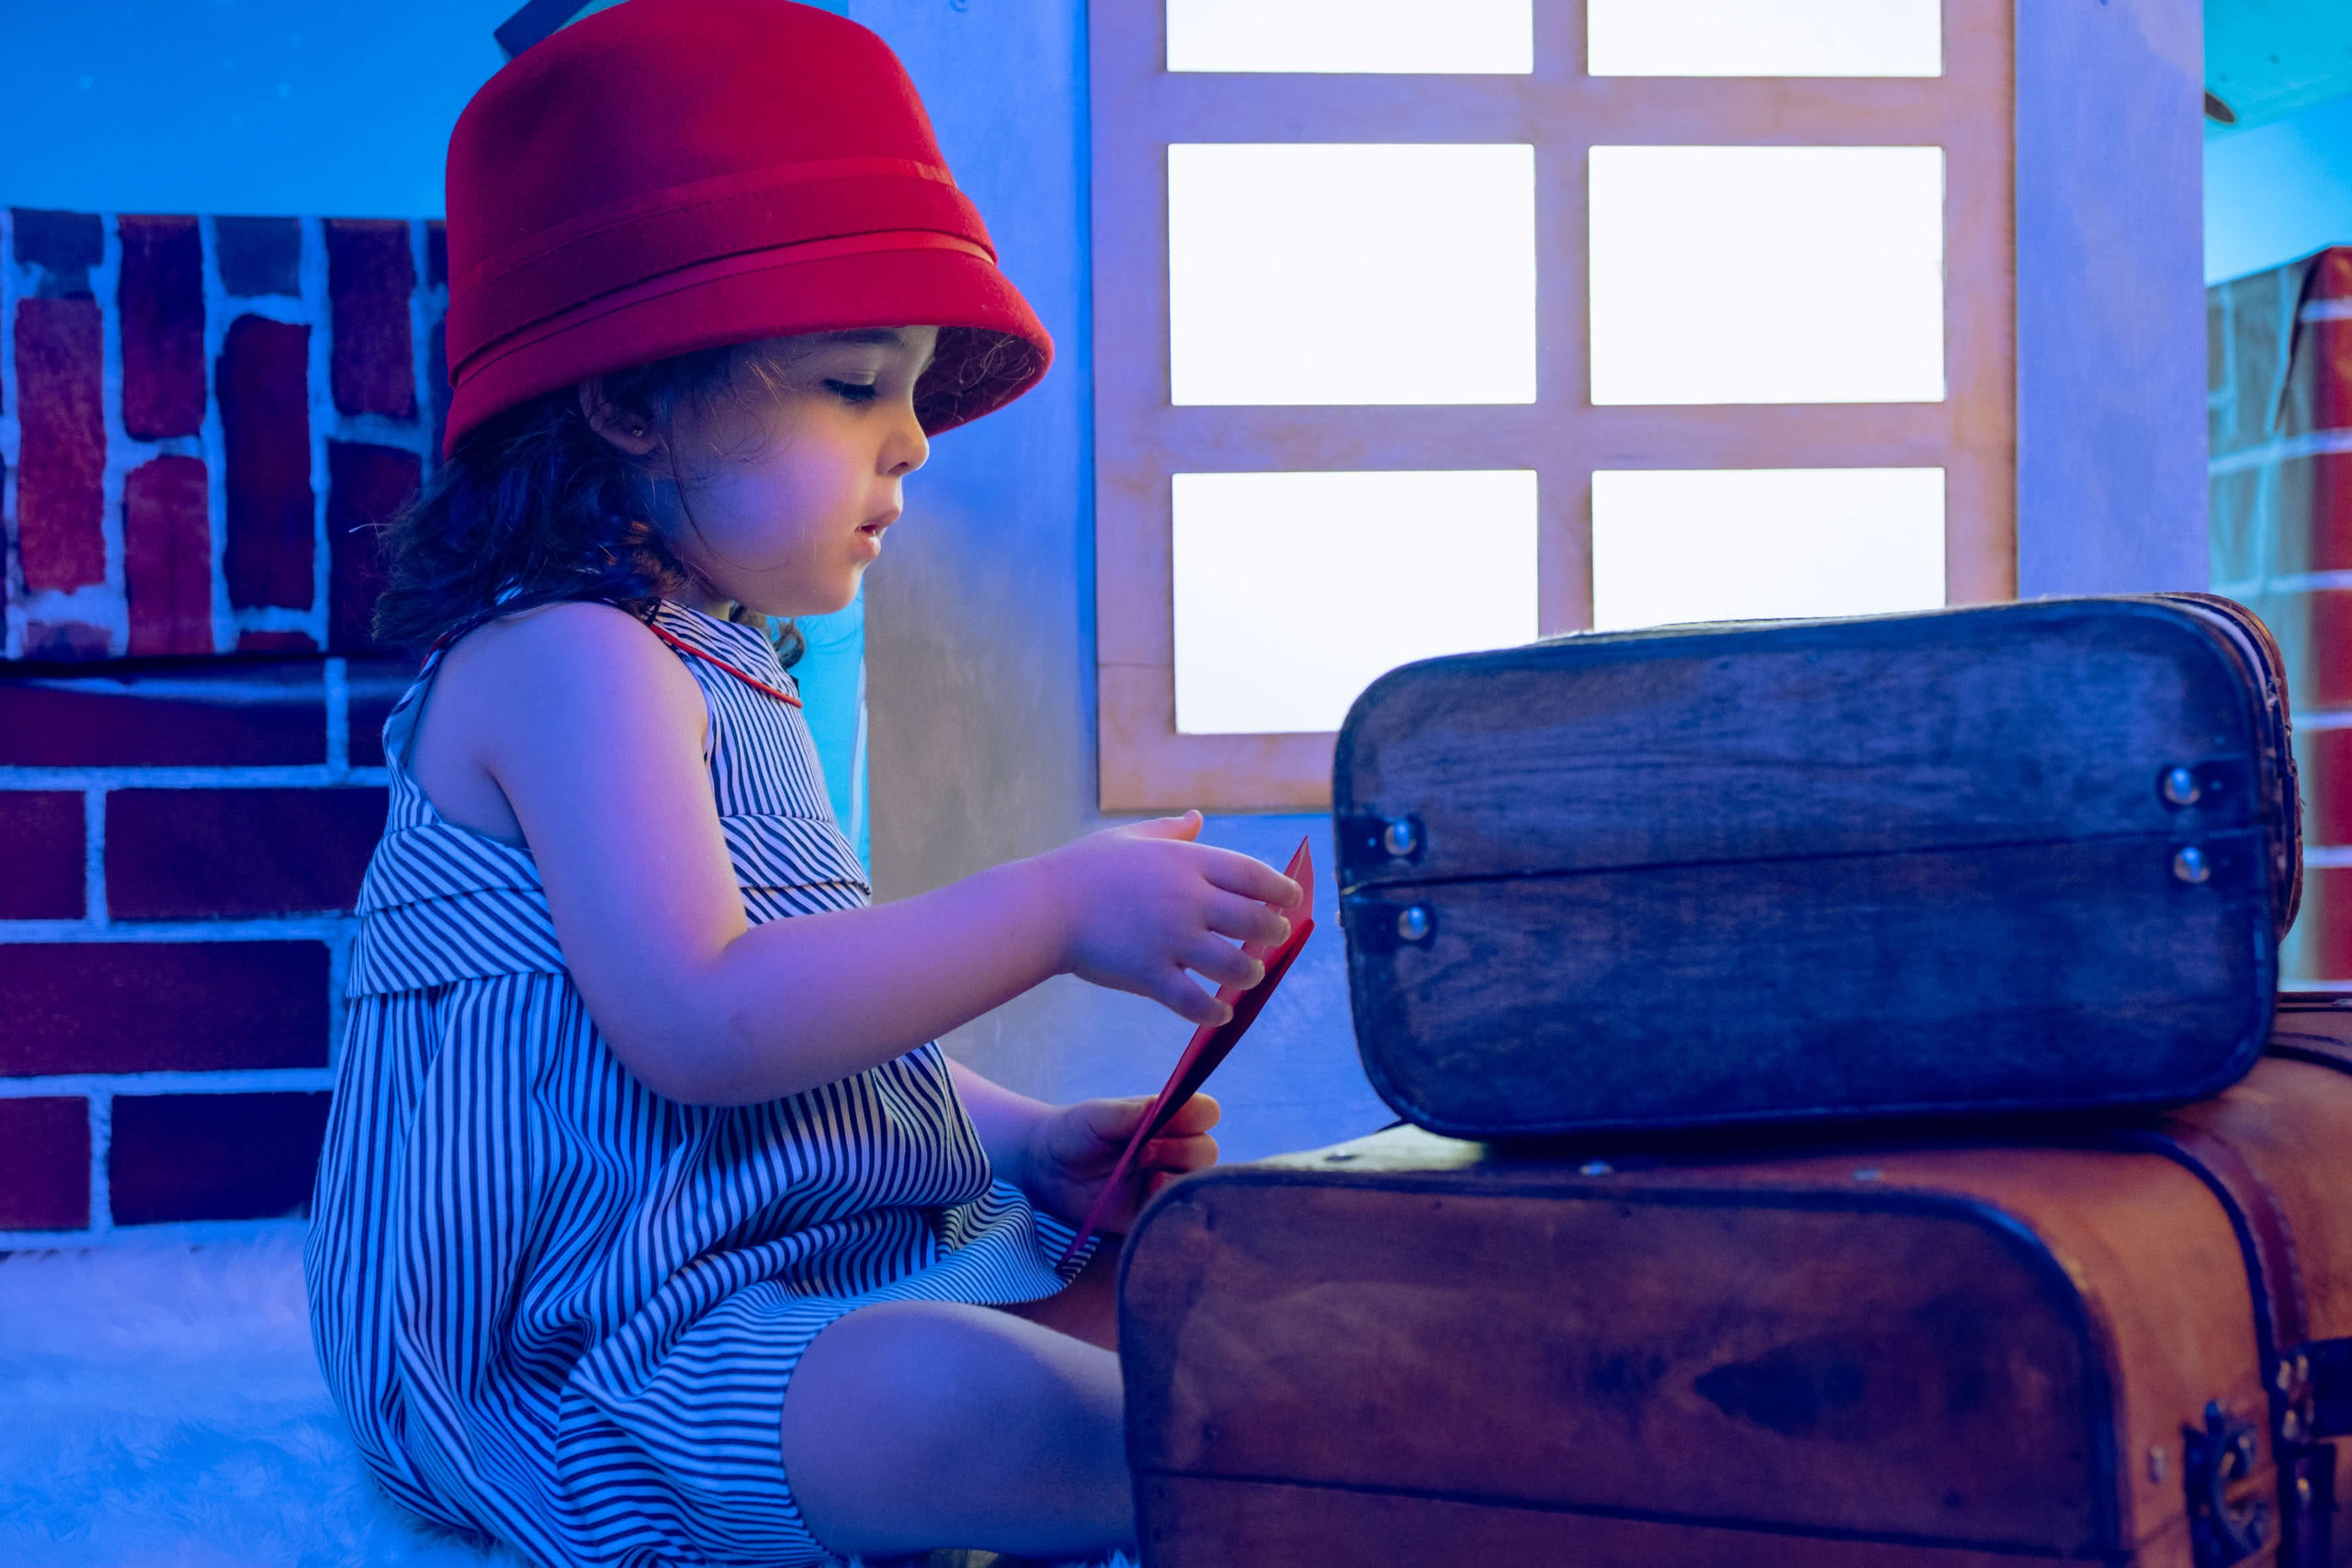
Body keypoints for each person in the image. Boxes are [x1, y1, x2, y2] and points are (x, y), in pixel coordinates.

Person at [301, 4, 1302, 1563]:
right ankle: (1253, 1465)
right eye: (852, 385)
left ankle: (1151, 1400)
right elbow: (707, 1022)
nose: (912, 443)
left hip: (781, 1256)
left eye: (911, 391)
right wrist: (1052, 907)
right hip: (599, 1338)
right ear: (631, 401)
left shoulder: (726, 666)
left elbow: (805, 1023)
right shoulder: (569, 662)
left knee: (1204, 1258)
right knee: (920, 1401)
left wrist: (1023, 1139)